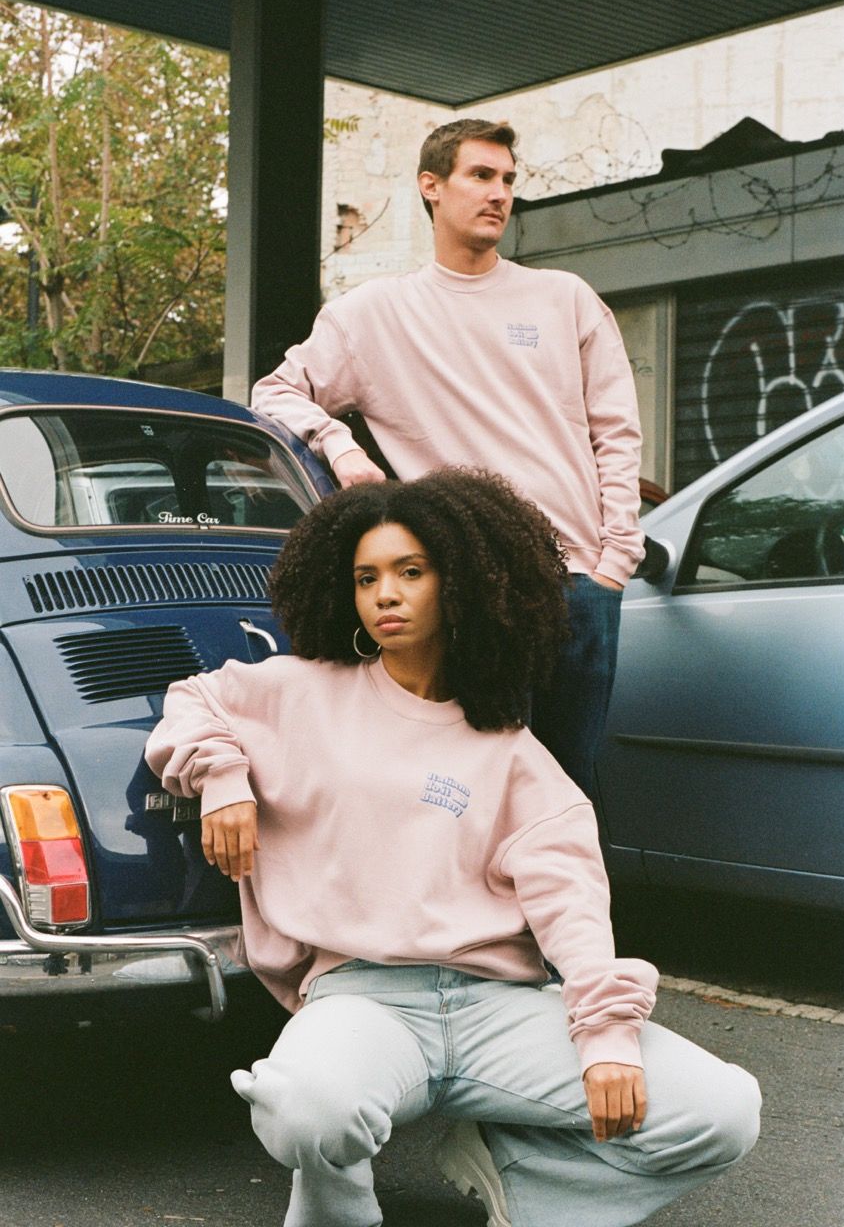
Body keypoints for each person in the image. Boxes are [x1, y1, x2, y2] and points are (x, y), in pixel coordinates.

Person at [145, 469, 760, 1227]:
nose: (386, 594)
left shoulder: (515, 755)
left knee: (721, 1111)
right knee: (304, 1107)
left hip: (497, 1007)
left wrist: (605, 1039)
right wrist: (223, 778)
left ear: (464, 584)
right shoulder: (300, 691)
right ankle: (339, 1214)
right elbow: (192, 699)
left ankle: (521, 1184)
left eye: (411, 572)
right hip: (362, 1000)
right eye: (366, 577)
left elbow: (572, 908)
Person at [251, 118, 644, 797]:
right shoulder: (372, 313)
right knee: (469, 789)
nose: (499, 193)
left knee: (568, 792)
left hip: (579, 583)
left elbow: (617, 431)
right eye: (480, 176)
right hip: (467, 584)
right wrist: (342, 448)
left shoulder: (564, 298)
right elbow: (274, 392)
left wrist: (615, 561)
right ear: (431, 186)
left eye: (508, 179)